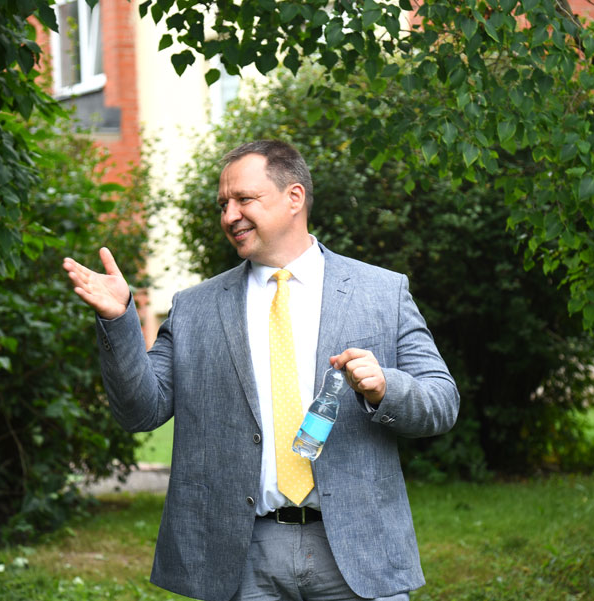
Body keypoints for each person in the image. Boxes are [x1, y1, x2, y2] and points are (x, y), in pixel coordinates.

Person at [62, 140, 459, 601]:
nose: (230, 215)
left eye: (244, 199)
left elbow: (441, 402)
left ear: (294, 197)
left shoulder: (382, 291)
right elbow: (140, 411)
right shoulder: (194, 308)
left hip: (360, 547)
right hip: (241, 557)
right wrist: (119, 320)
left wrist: (385, 388)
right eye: (223, 204)